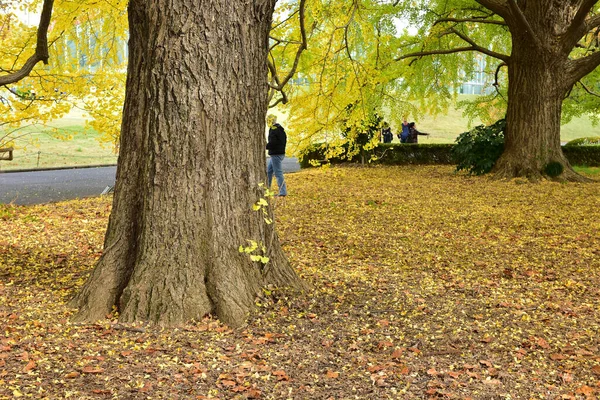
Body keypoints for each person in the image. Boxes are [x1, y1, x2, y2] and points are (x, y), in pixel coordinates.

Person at [266, 114, 287, 197]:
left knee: (278, 173)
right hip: (280, 153)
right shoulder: (281, 129)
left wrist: (265, 146)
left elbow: (273, 142)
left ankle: (283, 192)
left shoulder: (273, 129)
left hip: (276, 154)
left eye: (268, 120)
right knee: (269, 171)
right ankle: (267, 189)